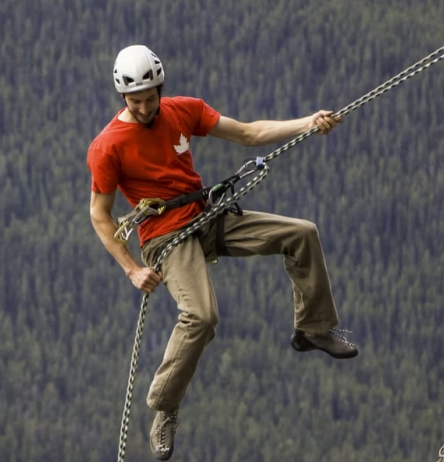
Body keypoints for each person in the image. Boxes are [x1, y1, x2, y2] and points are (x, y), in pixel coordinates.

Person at [85, 45, 358, 461]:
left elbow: (248, 133)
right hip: (166, 238)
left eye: (149, 98)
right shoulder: (108, 146)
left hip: (206, 216)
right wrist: (131, 270)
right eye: (134, 101)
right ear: (122, 97)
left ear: (161, 88)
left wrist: (309, 123)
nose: (143, 108)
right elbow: (100, 215)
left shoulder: (182, 111)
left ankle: (314, 329)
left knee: (302, 233)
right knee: (201, 316)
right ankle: (165, 407)